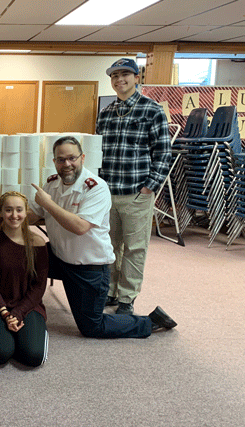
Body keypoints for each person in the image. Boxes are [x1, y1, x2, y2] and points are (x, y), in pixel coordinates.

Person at [28, 136, 177, 339]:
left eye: (72, 158)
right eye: (61, 160)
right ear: (54, 162)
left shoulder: (96, 187)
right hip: (59, 257)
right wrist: (8, 214)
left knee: (92, 327)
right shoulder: (52, 184)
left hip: (88, 269)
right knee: (21, 255)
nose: (67, 164)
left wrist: (48, 204)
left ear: (82, 157)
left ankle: (150, 322)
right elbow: (34, 214)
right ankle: (26, 310)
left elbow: (80, 227)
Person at [97, 58, 172, 315]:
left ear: (136, 77)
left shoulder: (152, 110)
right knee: (109, 246)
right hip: (107, 193)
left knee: (135, 249)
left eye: (125, 74)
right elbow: (98, 153)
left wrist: (149, 188)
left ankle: (127, 298)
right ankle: (110, 291)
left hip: (137, 193)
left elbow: (163, 153)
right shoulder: (106, 113)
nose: (119, 80)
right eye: (115, 75)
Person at [0, 191, 49, 367]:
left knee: (33, 356)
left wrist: (18, 313)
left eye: (19, 210)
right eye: (8, 210)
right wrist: (6, 314)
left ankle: (23, 336)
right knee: (0, 353)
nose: (14, 215)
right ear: (0, 212)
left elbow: (39, 287)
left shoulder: (37, 242)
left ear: (26, 212)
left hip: (27, 306)